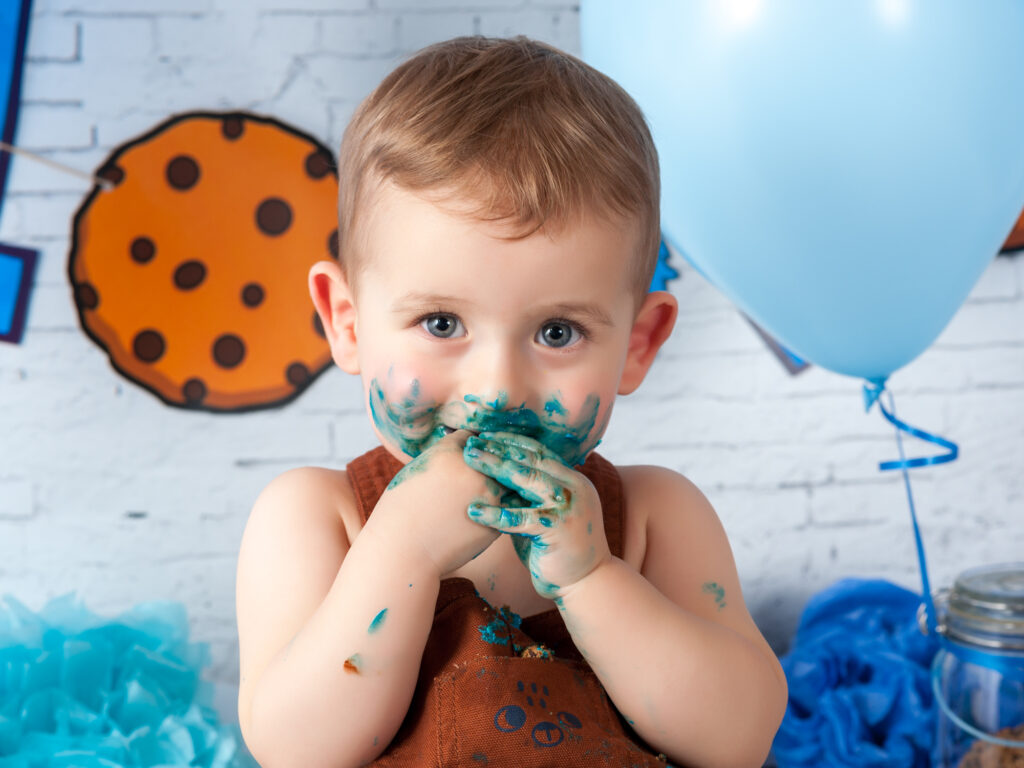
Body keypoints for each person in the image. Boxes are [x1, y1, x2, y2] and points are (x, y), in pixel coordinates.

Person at [235, 35, 787, 768]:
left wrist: (592, 579)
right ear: (346, 322)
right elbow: (295, 752)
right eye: (441, 324)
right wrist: (400, 550)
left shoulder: (658, 517)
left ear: (640, 343)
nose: (498, 389)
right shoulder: (316, 518)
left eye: (558, 331)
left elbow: (737, 742)